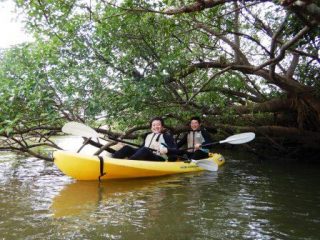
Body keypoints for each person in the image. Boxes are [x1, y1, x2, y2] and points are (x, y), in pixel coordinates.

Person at [112, 117, 177, 161]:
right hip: (145, 154)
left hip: (159, 158)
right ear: (151, 127)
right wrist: (123, 146)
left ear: (162, 127)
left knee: (145, 150)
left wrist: (166, 150)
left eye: (158, 125)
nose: (156, 127)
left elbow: (174, 150)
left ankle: (129, 163)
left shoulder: (166, 137)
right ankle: (112, 161)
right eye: (153, 125)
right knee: (127, 148)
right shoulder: (147, 136)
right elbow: (140, 149)